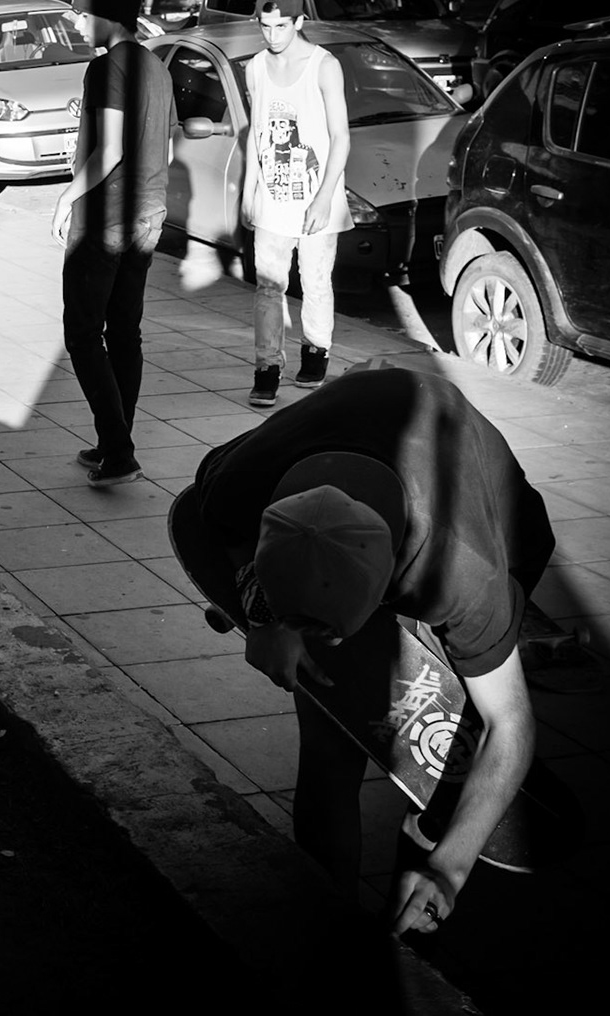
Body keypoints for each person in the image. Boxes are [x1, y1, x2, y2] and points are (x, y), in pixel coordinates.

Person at [169, 364, 555, 937]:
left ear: (387, 593)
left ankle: (428, 840)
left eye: (331, 629)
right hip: (349, 426)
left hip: (493, 510)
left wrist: (450, 870)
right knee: (331, 736)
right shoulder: (236, 480)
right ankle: (327, 921)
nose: (324, 639)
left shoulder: (461, 575)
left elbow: (512, 721)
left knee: (457, 715)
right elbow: (223, 535)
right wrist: (261, 621)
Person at [49, 0, 177, 488]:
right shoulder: (158, 66)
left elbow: (110, 149)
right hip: (148, 214)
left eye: (83, 12)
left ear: (107, 14)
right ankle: (113, 441)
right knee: (125, 332)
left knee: (82, 334)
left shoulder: (106, 68)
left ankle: (119, 452)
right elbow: (164, 143)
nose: (78, 22)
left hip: (105, 220)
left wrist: (65, 197)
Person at [241, 0, 352, 407]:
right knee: (268, 287)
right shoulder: (254, 67)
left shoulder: (324, 66)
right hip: (272, 196)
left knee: (315, 281)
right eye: (265, 25)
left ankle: (316, 351)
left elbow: (341, 137)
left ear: (300, 22)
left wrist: (324, 196)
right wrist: (250, 188)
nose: (272, 35)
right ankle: (267, 367)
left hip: (315, 195)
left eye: (281, 26)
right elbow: (256, 133)